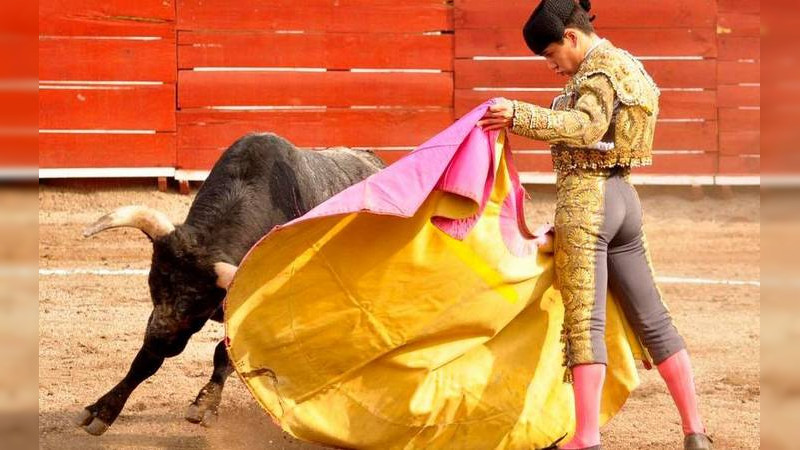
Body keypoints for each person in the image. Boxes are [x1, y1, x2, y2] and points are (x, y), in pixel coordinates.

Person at [477, 1, 713, 449]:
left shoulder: (597, 72)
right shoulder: (628, 64)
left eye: (551, 54)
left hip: (588, 202)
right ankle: (695, 431)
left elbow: (586, 126)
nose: (552, 66)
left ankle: (586, 437)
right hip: (624, 197)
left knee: (585, 324)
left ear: (571, 37)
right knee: (654, 319)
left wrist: (518, 115)